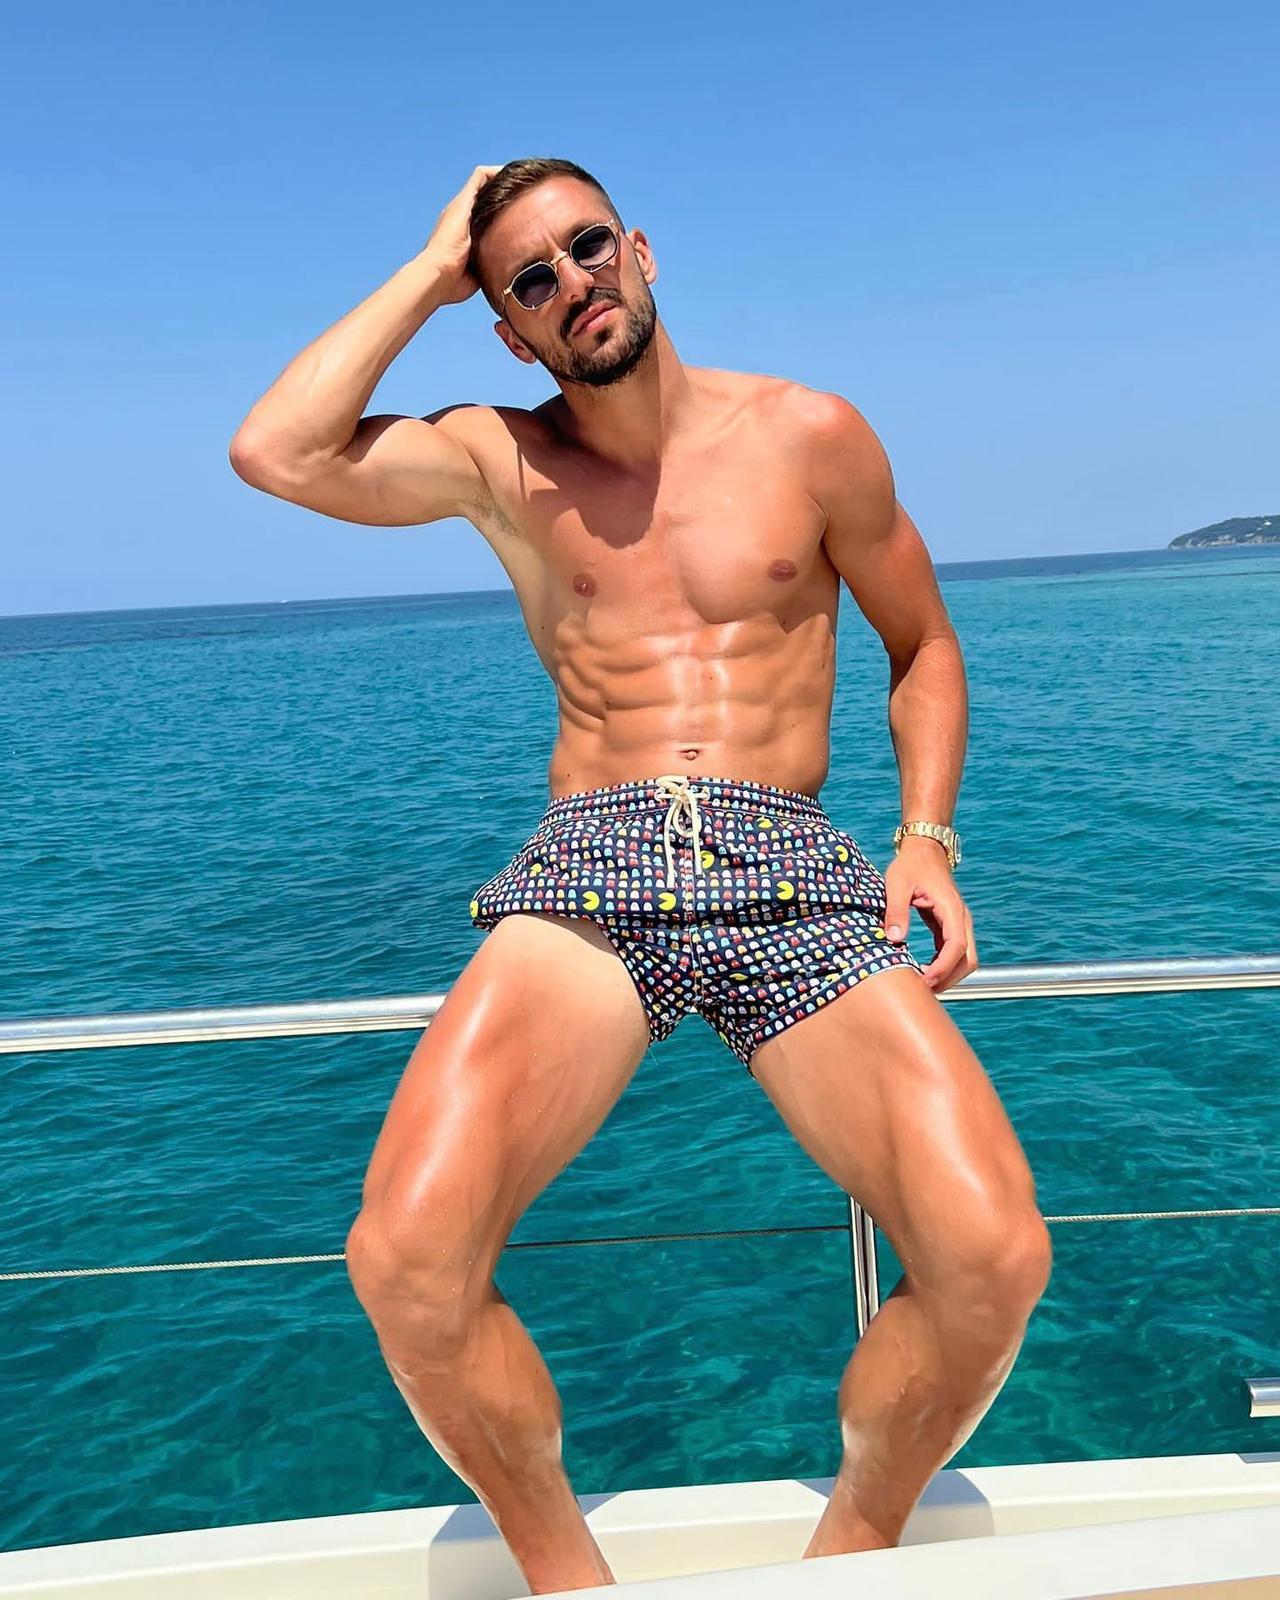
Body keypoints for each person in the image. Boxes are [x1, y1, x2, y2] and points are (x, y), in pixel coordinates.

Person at [229, 158, 1053, 1596]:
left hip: (788, 861)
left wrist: (927, 838)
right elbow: (276, 452)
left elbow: (922, 643)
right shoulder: (498, 459)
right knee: (408, 1262)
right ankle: (571, 1582)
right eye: (529, 280)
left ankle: (850, 1554)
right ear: (508, 329)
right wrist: (431, 269)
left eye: (589, 246)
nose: (574, 283)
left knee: (992, 1258)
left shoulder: (810, 434)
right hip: (595, 865)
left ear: (643, 250)